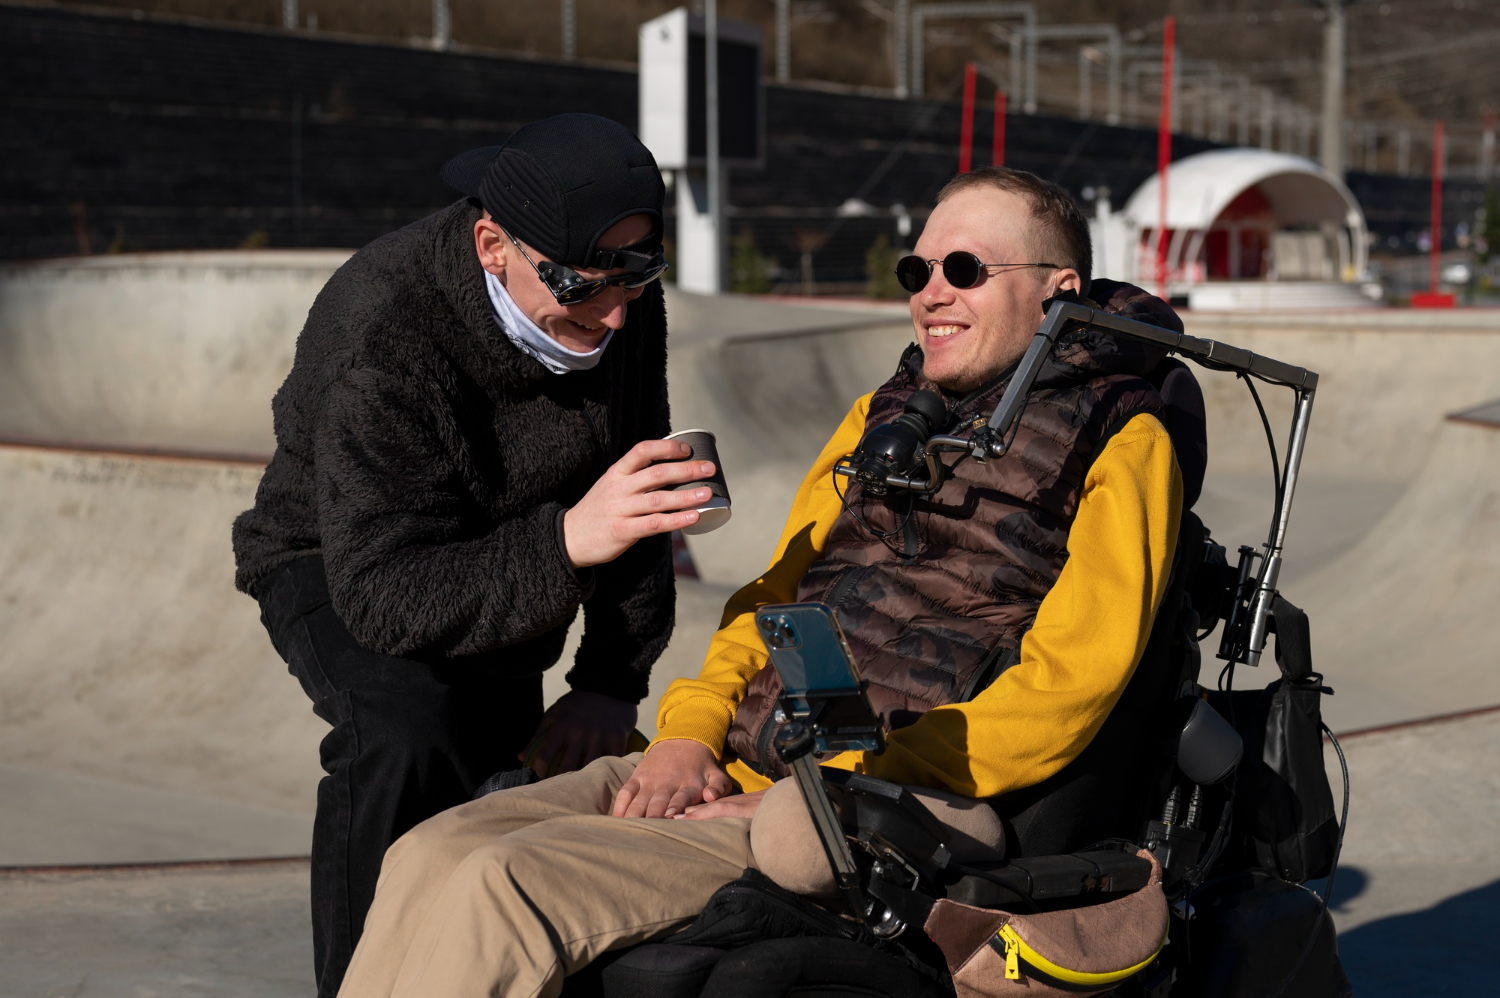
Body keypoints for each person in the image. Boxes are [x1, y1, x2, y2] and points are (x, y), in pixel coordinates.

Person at [335, 167, 1198, 998]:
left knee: (502, 884)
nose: (932, 292)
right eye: (918, 269)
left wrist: (832, 786)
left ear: (1058, 289)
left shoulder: (1124, 441)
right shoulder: (883, 416)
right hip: (747, 764)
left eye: (966, 270)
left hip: (885, 803)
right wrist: (688, 736)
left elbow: (1069, 688)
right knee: (432, 851)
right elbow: (775, 602)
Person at [230, 113, 713, 998]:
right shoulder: (380, 328)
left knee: (503, 779)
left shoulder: (616, 292)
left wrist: (609, 681)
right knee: (407, 731)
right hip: (340, 553)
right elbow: (382, 597)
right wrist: (571, 539)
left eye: (638, 275)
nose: (611, 313)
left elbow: (639, 483)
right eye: (581, 285)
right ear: (494, 244)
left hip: (511, 543)